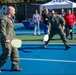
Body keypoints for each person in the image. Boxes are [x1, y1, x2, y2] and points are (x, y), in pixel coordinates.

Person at [0, 6, 22, 72]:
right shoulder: (4, 19)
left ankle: (15, 66)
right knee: (6, 54)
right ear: (10, 11)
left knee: (15, 53)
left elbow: (11, 30)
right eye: (14, 11)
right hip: (6, 40)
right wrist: (6, 38)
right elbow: (2, 30)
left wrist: (14, 38)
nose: (15, 12)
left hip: (12, 39)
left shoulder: (11, 19)